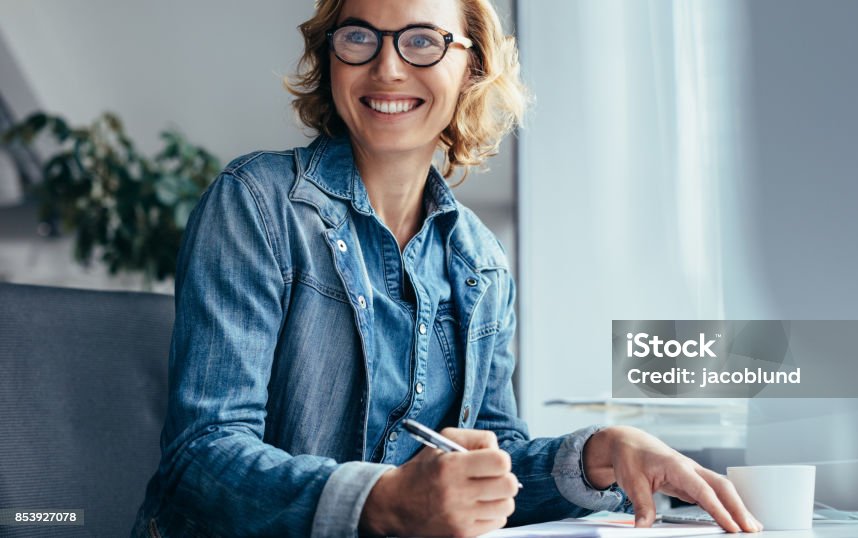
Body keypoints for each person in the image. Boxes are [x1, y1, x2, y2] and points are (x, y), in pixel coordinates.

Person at [132, 0, 763, 536]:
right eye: (358, 37)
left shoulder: (482, 263)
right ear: (330, 57)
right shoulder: (257, 202)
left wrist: (600, 453)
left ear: (472, 69)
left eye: (423, 42)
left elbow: (496, 471)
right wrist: (386, 501)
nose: (386, 66)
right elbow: (201, 458)